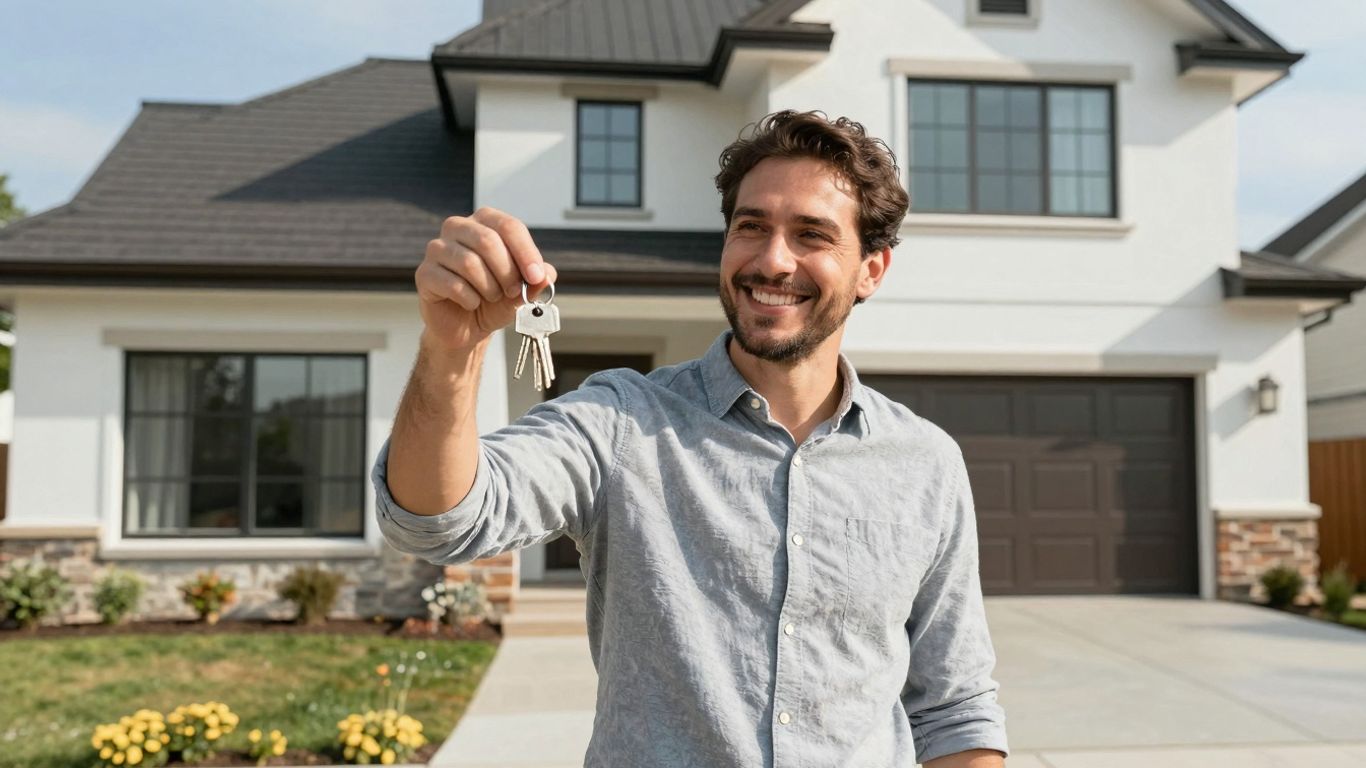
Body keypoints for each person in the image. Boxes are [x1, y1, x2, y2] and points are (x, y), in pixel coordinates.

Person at [374, 110, 1009, 767]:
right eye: (751, 227)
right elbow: (438, 522)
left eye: (811, 235)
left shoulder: (925, 461)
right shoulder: (622, 422)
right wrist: (453, 349)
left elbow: (954, 707)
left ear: (871, 270)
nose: (771, 260)